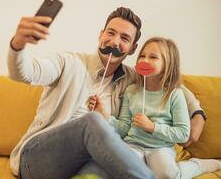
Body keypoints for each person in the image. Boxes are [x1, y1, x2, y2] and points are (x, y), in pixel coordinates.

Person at [7, 7, 205, 179]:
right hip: (38, 160)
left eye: (124, 38)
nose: (114, 42)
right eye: (110, 33)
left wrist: (197, 114)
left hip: (85, 163)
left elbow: (169, 82)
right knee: (93, 121)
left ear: (132, 48)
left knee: (101, 170)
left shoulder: (132, 78)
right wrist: (18, 44)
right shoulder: (68, 63)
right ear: (100, 35)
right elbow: (25, 72)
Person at [88, 37, 221, 179]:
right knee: (125, 171)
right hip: (133, 144)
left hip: (160, 147)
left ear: (167, 64)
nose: (145, 60)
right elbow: (124, 127)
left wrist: (152, 127)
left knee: (168, 175)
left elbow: (182, 134)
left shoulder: (174, 94)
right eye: (142, 56)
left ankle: (198, 165)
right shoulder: (131, 91)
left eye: (153, 57)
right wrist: (105, 116)